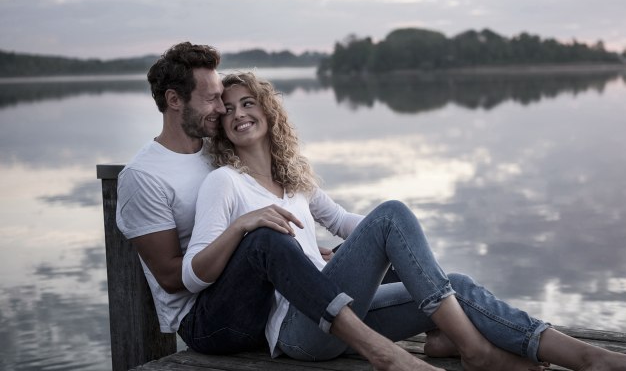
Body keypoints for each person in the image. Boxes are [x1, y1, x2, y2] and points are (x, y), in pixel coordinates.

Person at [184, 71, 626, 371]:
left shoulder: (296, 184)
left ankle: (590, 359)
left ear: (269, 111)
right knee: (393, 214)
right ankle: (472, 351)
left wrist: (409, 254)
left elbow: (348, 224)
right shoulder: (225, 184)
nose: (239, 113)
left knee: (451, 282)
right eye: (228, 110)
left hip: (342, 319)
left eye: (249, 102)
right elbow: (194, 272)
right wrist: (243, 225)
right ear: (222, 128)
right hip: (298, 331)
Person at [116, 42, 448, 371]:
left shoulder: (214, 151)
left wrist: (301, 252)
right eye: (212, 98)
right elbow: (173, 278)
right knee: (266, 241)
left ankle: (443, 331)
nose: (221, 108)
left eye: (223, 97)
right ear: (174, 100)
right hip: (210, 321)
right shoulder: (144, 176)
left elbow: (257, 202)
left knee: (373, 247)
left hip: (265, 298)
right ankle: (380, 351)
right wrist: (259, 239)